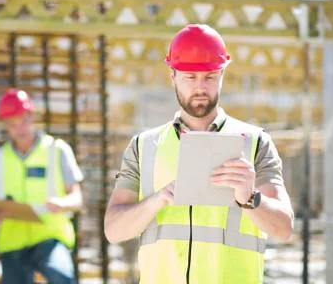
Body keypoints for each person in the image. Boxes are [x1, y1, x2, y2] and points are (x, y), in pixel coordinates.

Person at [104, 24, 294, 284]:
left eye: (210, 77)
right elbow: (113, 230)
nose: (200, 88)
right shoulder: (144, 146)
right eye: (190, 77)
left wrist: (249, 197)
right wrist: (156, 200)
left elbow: (283, 229)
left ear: (223, 75)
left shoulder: (255, 142)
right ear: (172, 75)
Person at [0, 88, 83, 284]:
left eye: (24, 120)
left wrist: (62, 204)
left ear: (32, 116)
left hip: (50, 237)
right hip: (12, 243)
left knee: (62, 277)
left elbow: (77, 198)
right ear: (6, 125)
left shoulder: (57, 150)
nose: (20, 128)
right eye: (13, 124)